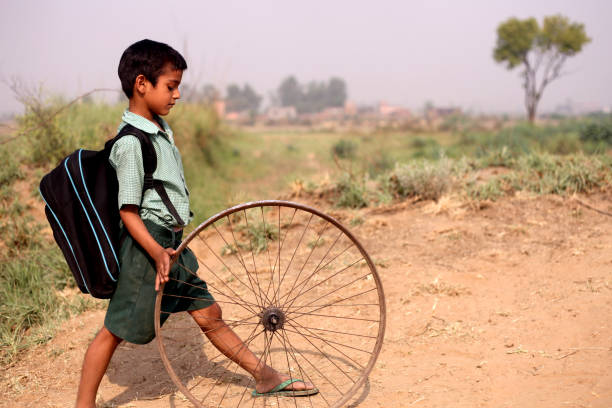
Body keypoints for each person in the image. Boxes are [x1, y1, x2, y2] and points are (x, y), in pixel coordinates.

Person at [76, 39, 316, 407]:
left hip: (171, 245)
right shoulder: (131, 143)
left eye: (178, 87)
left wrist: (167, 249)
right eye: (170, 86)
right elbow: (128, 211)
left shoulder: (158, 131)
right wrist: (156, 253)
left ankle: (265, 376)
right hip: (148, 249)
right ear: (142, 84)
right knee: (115, 329)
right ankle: (83, 404)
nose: (177, 95)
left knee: (209, 313)